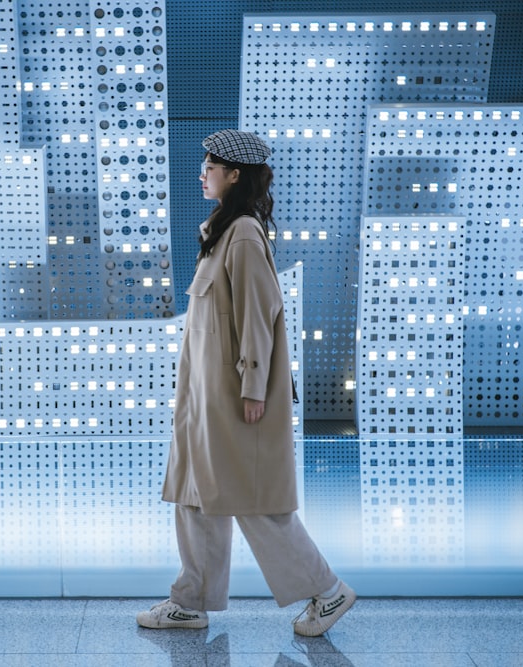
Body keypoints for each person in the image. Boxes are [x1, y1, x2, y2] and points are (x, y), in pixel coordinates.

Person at [136, 129, 355, 637]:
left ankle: (328, 592)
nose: (202, 174)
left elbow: (260, 315)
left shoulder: (245, 235)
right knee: (196, 494)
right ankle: (190, 601)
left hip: (235, 397)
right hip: (205, 399)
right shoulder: (223, 231)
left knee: (253, 502)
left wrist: (254, 386)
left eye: (210, 166)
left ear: (234, 174)